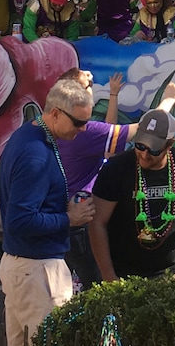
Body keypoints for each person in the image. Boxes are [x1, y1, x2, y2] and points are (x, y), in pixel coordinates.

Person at [0, 74, 97, 346]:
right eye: (77, 124)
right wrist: (69, 219)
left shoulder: (29, 136)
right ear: (54, 113)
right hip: (38, 271)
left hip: (22, 269)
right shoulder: (38, 154)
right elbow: (20, 220)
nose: (81, 132)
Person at [89, 108, 175, 281]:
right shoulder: (116, 168)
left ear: (170, 144)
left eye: (154, 150)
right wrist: (108, 274)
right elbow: (97, 223)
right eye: (140, 145)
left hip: (174, 272)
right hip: (124, 274)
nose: (145, 154)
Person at [55, 69, 134, 288]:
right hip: (81, 222)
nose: (91, 84)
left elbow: (107, 134)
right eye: (87, 85)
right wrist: (167, 102)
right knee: (95, 283)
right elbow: (131, 132)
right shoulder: (82, 134)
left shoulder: (62, 129)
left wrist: (113, 95)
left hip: (72, 216)